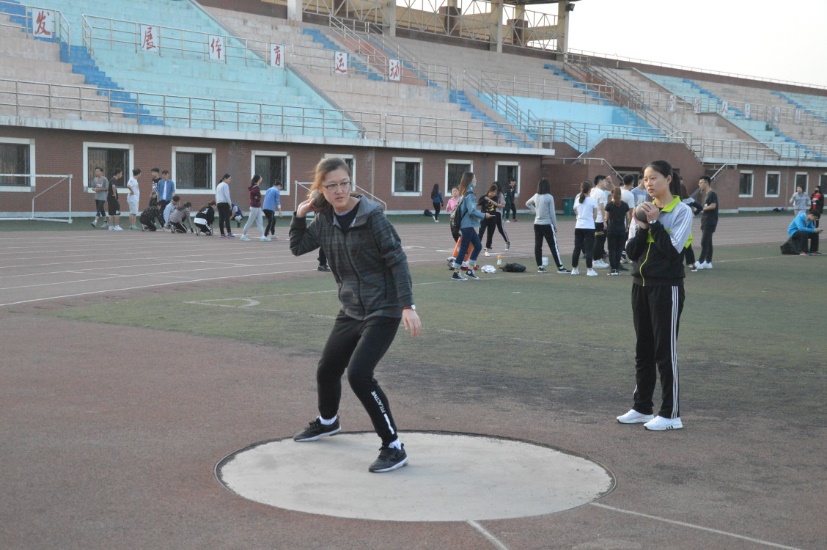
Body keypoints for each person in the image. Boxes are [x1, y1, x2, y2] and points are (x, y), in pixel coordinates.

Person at [289, 157, 421, 473]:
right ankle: (328, 421)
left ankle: (394, 447)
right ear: (320, 190)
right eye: (331, 185)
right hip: (351, 309)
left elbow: (398, 261)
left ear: (351, 183)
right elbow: (298, 247)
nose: (340, 191)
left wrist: (407, 306)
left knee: (359, 375)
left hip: (383, 308)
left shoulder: (373, 218)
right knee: (327, 369)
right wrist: (300, 215)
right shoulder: (324, 220)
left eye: (344, 183)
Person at [617, 159, 692, 431]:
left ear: (668, 179)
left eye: (654, 178)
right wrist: (643, 226)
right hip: (640, 285)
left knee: (664, 351)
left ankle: (671, 414)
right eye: (645, 179)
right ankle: (642, 407)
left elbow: (673, 252)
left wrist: (655, 223)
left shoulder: (682, 211)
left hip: (666, 288)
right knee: (643, 349)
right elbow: (631, 252)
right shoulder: (641, 210)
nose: (648, 183)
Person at [451, 171, 491, 281]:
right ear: (469, 180)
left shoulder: (464, 193)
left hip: (467, 225)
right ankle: (456, 272)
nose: (476, 180)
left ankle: (469, 270)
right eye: (474, 178)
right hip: (467, 225)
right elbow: (472, 211)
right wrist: (484, 215)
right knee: (464, 248)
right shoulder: (469, 194)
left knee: (478, 246)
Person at [526, 178, 568, 273]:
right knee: (553, 246)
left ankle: (540, 267)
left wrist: (535, 210)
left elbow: (527, 203)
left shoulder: (536, 196)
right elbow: (552, 213)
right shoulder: (549, 197)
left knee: (538, 245)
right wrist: (555, 225)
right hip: (547, 224)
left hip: (537, 224)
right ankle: (560, 267)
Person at [571, 180, 599, 276]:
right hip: (589, 226)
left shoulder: (578, 199)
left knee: (577, 248)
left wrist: (580, 216)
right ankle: (589, 269)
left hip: (578, 226)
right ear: (590, 189)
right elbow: (595, 215)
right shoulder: (592, 200)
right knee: (589, 249)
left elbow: (575, 210)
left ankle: (574, 269)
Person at [604, 186, 631, 276]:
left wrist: (606, 223)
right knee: (619, 249)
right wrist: (626, 227)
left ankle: (613, 269)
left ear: (612, 194)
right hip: (621, 229)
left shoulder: (609, 205)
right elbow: (628, 218)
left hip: (612, 229)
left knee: (611, 249)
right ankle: (617, 267)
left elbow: (607, 217)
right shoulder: (625, 205)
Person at [477, 184, 509, 256]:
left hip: (493, 218)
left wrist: (489, 199)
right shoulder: (483, 197)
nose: (494, 193)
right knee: (480, 233)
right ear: (489, 191)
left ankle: (487, 249)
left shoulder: (495, 198)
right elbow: (478, 204)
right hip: (484, 218)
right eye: (493, 192)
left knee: (490, 234)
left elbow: (496, 204)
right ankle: (477, 246)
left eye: (495, 192)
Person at [696, 176, 718, 270]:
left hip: (710, 222)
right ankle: (708, 262)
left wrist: (701, 208)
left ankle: (700, 262)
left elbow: (713, 206)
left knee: (704, 242)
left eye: (701, 183)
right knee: (708, 242)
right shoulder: (707, 194)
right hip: (706, 221)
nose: (699, 185)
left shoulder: (712, 194)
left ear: (707, 183)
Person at [680, 183, 702, 272]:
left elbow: (700, 207)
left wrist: (692, 214)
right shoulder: (689, 200)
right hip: (686, 226)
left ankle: (681, 264)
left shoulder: (676, 201)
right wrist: (693, 214)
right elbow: (700, 207)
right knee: (687, 245)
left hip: (679, 226)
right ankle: (692, 265)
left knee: (680, 245)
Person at [590, 175, 610, 268]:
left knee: (598, 240)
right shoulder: (601, 193)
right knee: (599, 241)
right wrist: (604, 220)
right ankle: (596, 260)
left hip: (594, 220)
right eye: (605, 181)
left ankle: (599, 258)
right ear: (600, 181)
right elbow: (602, 207)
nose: (606, 183)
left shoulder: (592, 191)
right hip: (599, 220)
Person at [241, 175, 267, 242]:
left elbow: (254, 194)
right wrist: (257, 198)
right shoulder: (256, 187)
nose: (261, 179)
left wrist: (257, 197)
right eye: (260, 178)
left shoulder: (255, 187)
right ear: (258, 179)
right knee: (250, 221)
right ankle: (243, 235)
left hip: (257, 207)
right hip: (254, 207)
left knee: (260, 222)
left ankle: (262, 236)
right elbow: (254, 194)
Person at [215, 173, 234, 238]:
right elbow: (227, 195)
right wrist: (230, 204)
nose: (230, 180)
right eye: (229, 179)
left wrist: (217, 203)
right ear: (225, 179)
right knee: (227, 218)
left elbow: (216, 195)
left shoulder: (218, 185)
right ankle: (229, 233)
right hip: (225, 203)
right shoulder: (225, 185)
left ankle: (222, 233)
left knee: (221, 218)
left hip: (219, 203)